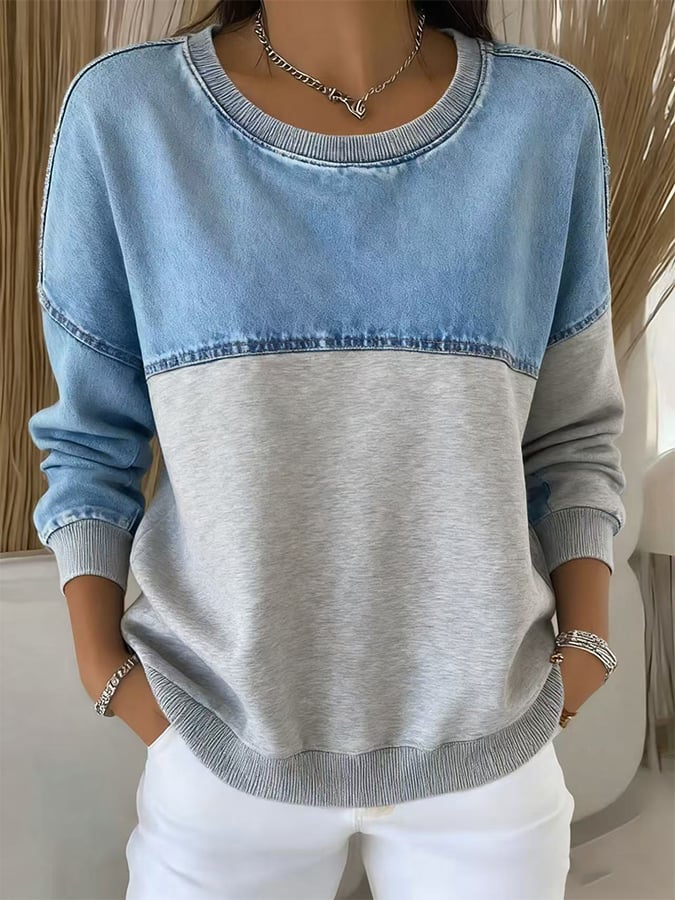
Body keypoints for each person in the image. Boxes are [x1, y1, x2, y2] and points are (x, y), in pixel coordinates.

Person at [27, 1, 626, 897]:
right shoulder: (130, 116)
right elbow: (90, 440)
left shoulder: (542, 120)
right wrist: (108, 676)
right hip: (217, 743)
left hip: (488, 754)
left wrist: (584, 652)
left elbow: (571, 433)